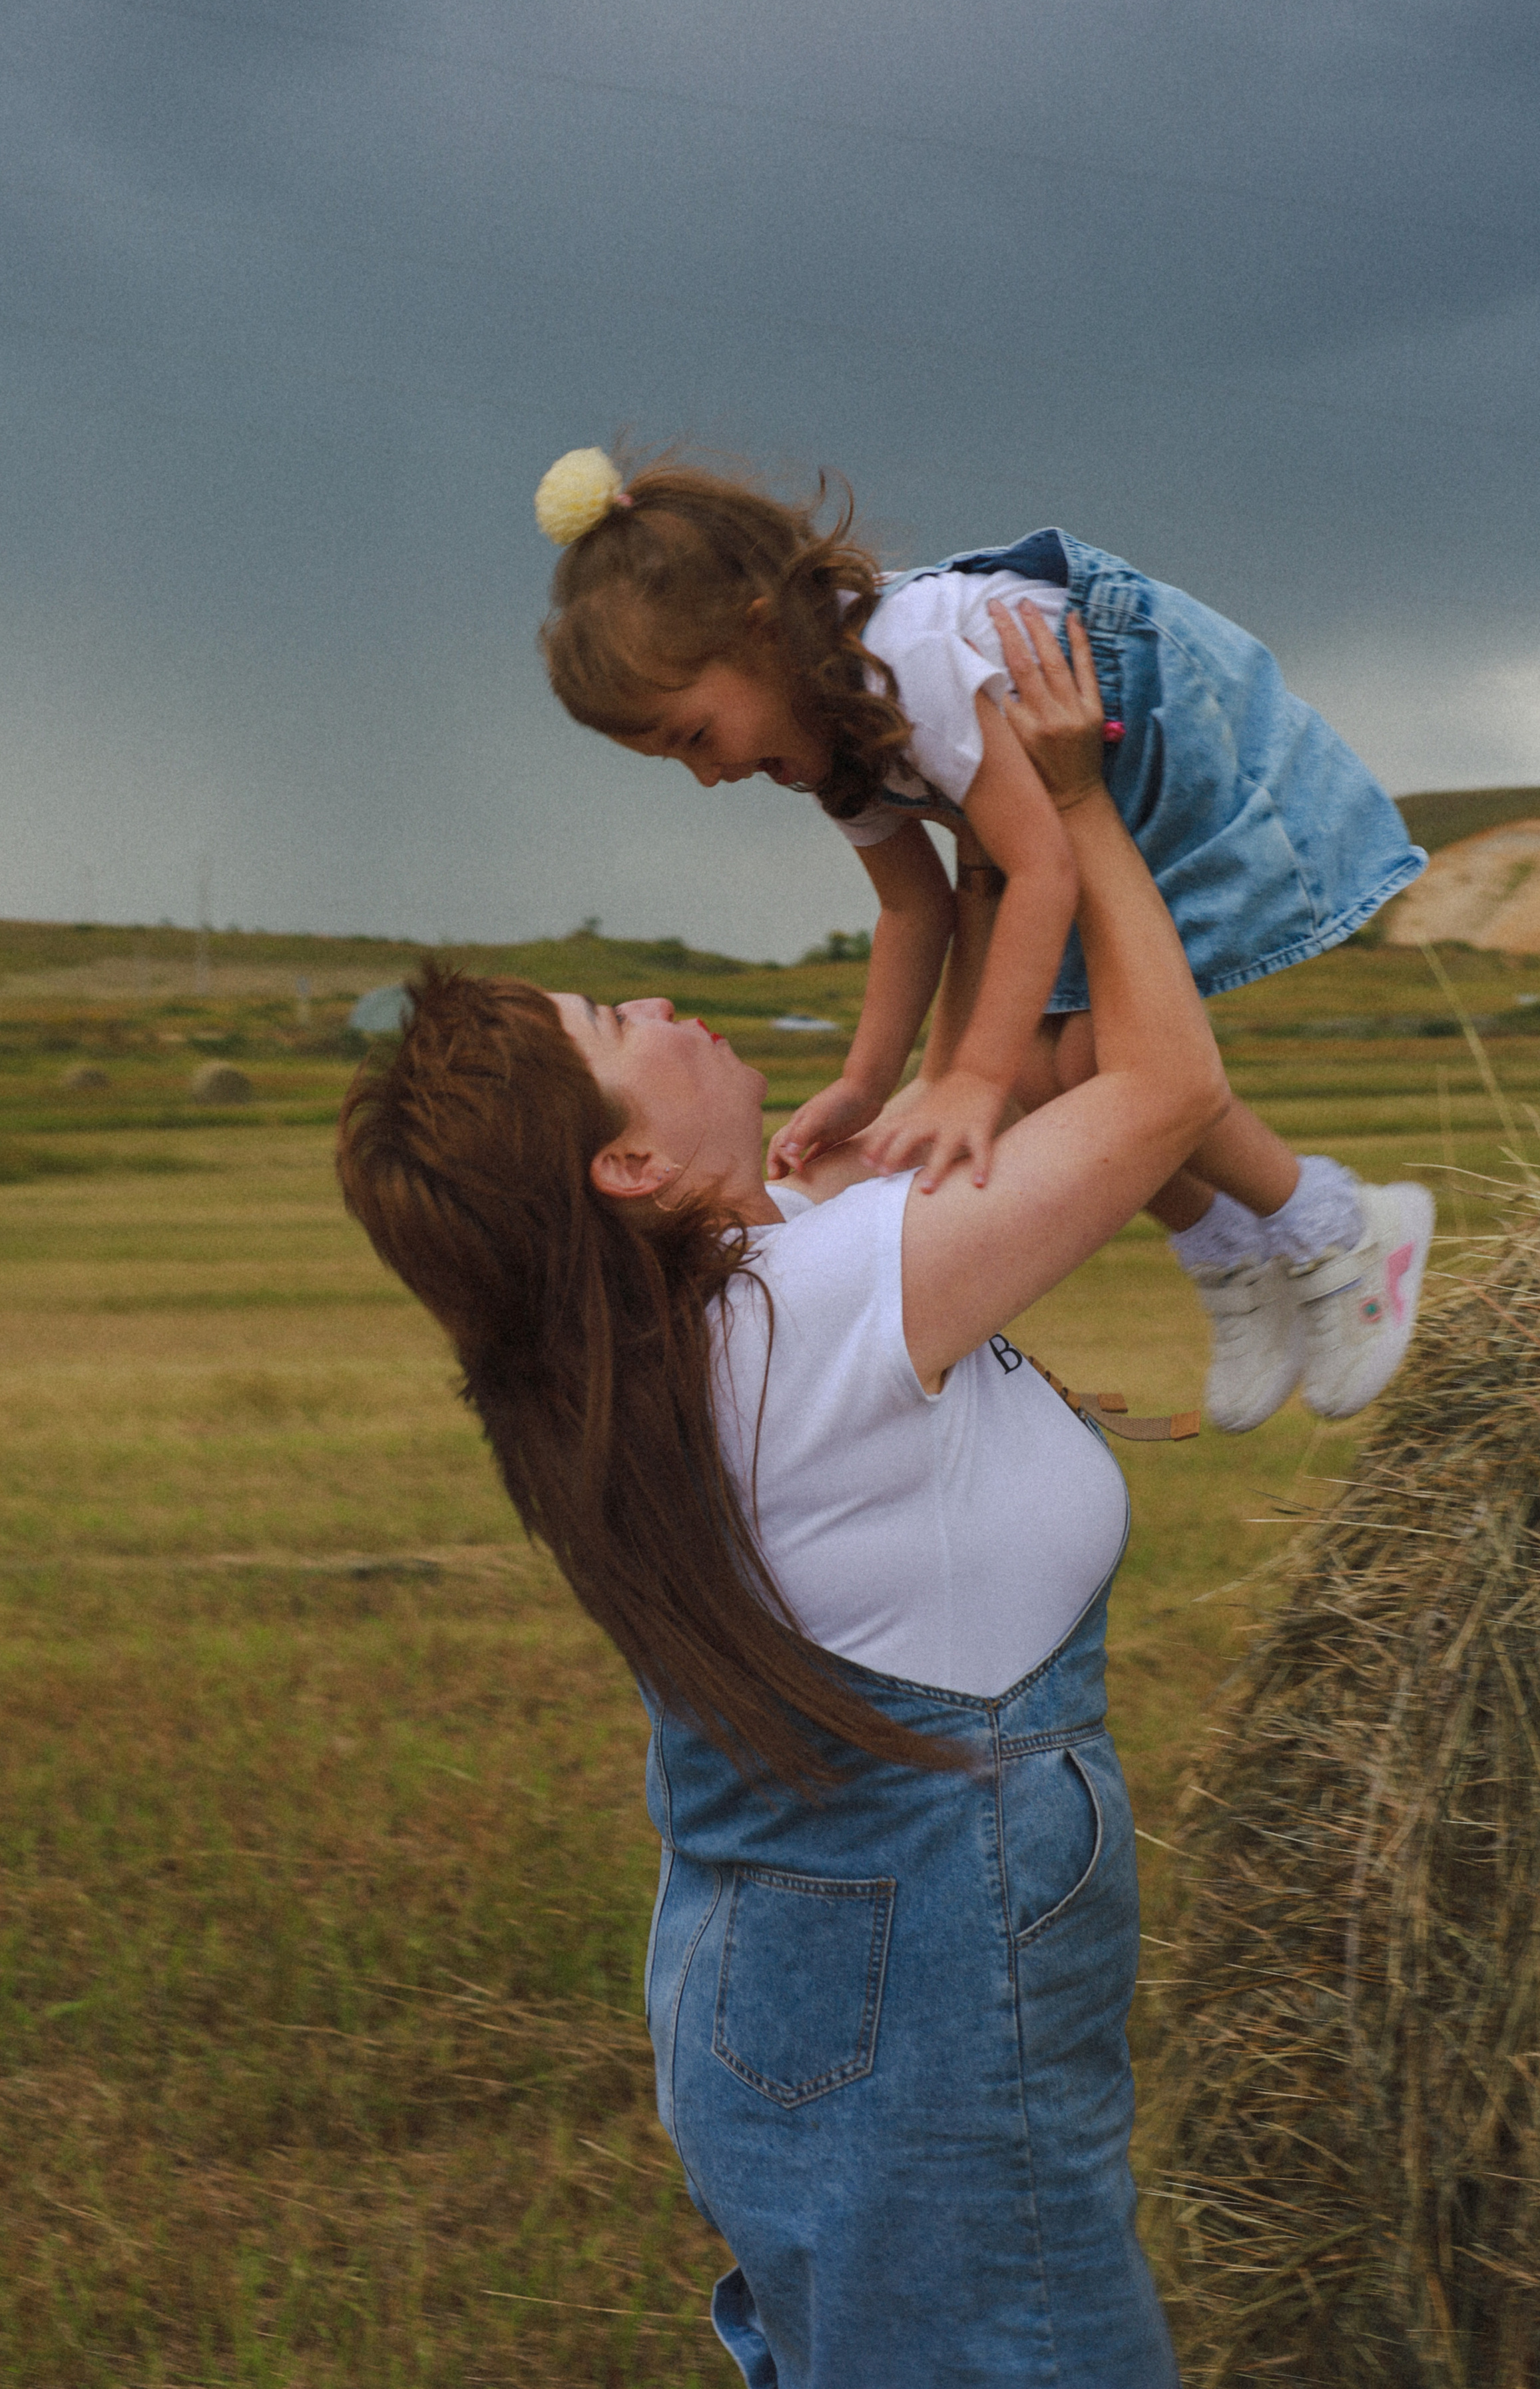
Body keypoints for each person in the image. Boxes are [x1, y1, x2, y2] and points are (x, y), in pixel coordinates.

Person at [337, 605, 1226, 2387]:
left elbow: (1033, 1089)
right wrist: (1078, 812)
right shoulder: (813, 1304)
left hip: (806, 1974)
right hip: (917, 1973)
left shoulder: (702, 1319)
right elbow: (1164, 1093)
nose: (661, 1001)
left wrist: (975, 889)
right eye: (617, 1020)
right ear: (631, 1165)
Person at [533, 445, 1433, 1434]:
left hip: (1146, 734)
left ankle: (1345, 1229)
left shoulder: (909, 665)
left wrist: (973, 1077)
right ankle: (1233, 1250)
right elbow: (913, 910)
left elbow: (1041, 868)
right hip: (1054, 807)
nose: (707, 775)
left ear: (762, 636)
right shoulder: (822, 735)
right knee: (1072, 1069)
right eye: (674, 759)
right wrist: (866, 1083)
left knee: (1098, 1060)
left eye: (695, 735)